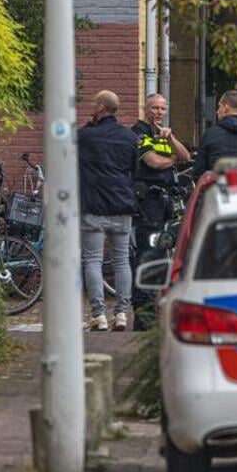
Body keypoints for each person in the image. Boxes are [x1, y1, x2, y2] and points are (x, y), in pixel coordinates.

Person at [78, 90, 139, 331]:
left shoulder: (85, 137)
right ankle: (122, 313)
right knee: (121, 260)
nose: (92, 106)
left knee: (92, 260)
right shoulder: (129, 137)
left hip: (93, 206)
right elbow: (134, 169)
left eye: (95, 103)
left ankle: (99, 315)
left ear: (101, 107)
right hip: (122, 204)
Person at [133, 92, 190, 233]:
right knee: (150, 239)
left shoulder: (164, 134)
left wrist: (171, 138)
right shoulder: (139, 133)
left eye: (163, 109)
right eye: (155, 108)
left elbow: (186, 157)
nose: (159, 112)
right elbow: (154, 162)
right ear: (145, 109)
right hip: (149, 198)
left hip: (168, 197)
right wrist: (174, 159)